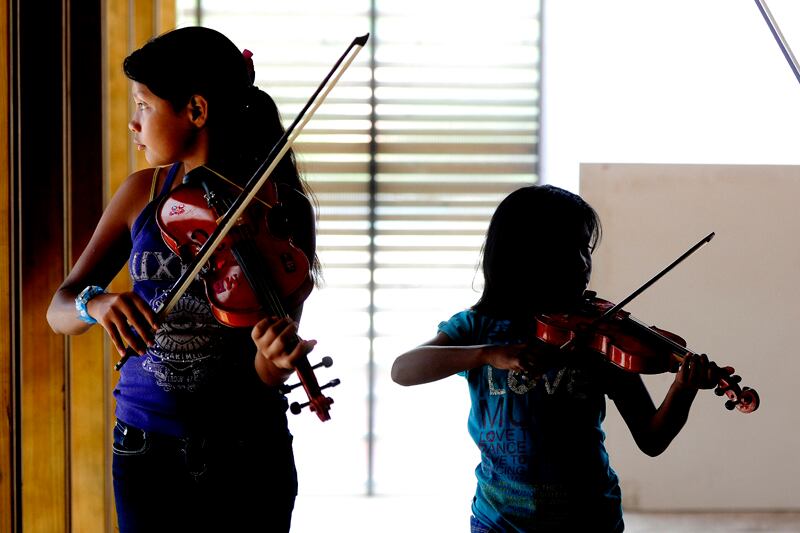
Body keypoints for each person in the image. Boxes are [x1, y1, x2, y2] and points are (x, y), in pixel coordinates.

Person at [46, 26, 319, 532]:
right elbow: (59, 309)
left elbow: (266, 365)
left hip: (247, 450)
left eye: (144, 105)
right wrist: (97, 304)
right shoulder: (142, 193)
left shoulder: (280, 207)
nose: (134, 122)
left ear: (195, 110)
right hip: (146, 448)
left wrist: (274, 360)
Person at [391, 184, 720, 532]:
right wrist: (487, 354)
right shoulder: (479, 327)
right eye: (566, 249)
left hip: (589, 520)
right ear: (521, 253)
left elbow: (652, 438)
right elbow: (403, 370)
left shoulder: (600, 334)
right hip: (499, 521)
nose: (582, 263)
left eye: (586, 249)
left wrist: (684, 388)